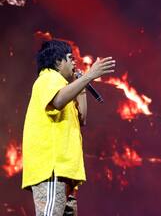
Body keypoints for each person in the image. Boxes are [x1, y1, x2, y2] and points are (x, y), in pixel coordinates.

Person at [22, 40, 115, 216]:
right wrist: (89, 75)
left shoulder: (64, 87)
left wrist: (81, 86)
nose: (75, 62)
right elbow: (57, 102)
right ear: (57, 62)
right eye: (70, 58)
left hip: (64, 174)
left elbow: (83, 119)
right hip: (52, 168)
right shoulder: (48, 78)